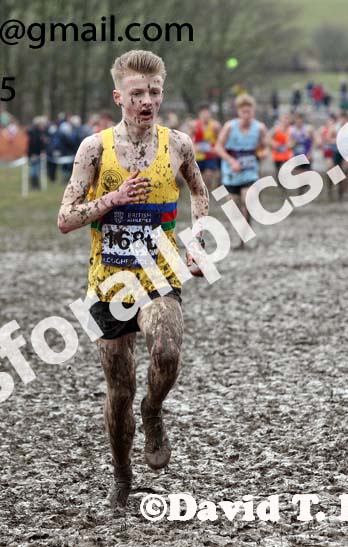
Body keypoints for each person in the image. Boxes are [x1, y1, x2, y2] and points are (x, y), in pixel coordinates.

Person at [57, 50, 209, 512]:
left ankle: (155, 410)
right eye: (138, 93)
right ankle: (122, 474)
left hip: (160, 271)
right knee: (118, 392)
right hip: (109, 283)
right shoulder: (95, 149)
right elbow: (65, 218)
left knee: (165, 350)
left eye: (155, 92)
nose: (148, 101)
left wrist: (197, 240)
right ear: (118, 96)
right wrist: (113, 198)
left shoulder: (178, 144)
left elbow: (200, 192)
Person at [216, 94, 269, 248]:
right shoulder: (229, 127)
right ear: (238, 112)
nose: (247, 115)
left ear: (253, 111)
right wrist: (231, 161)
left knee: (248, 201)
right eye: (244, 112)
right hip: (231, 173)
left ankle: (243, 238)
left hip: (250, 171)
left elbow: (265, 146)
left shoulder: (259, 128)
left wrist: (264, 152)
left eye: (250, 112)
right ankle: (242, 234)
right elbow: (218, 147)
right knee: (234, 209)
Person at [193, 104, 222, 190]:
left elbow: (220, 139)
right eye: (203, 113)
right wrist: (194, 146)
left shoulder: (215, 125)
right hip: (198, 155)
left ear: (210, 114)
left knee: (208, 175)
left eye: (207, 113)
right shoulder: (194, 125)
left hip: (210, 155)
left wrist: (216, 147)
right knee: (199, 178)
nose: (205, 115)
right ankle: (204, 192)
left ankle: (208, 191)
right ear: (199, 114)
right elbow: (189, 138)